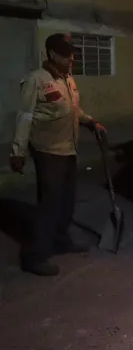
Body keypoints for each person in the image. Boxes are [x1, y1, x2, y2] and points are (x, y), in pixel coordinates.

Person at [9, 33, 107, 276]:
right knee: (49, 205)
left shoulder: (68, 79)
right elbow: (25, 116)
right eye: (66, 54)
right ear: (52, 54)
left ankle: (61, 241)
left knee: (66, 201)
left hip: (68, 148)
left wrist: (91, 122)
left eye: (72, 54)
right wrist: (18, 151)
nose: (71, 58)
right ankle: (35, 256)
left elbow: (74, 109)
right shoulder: (36, 80)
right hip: (48, 150)